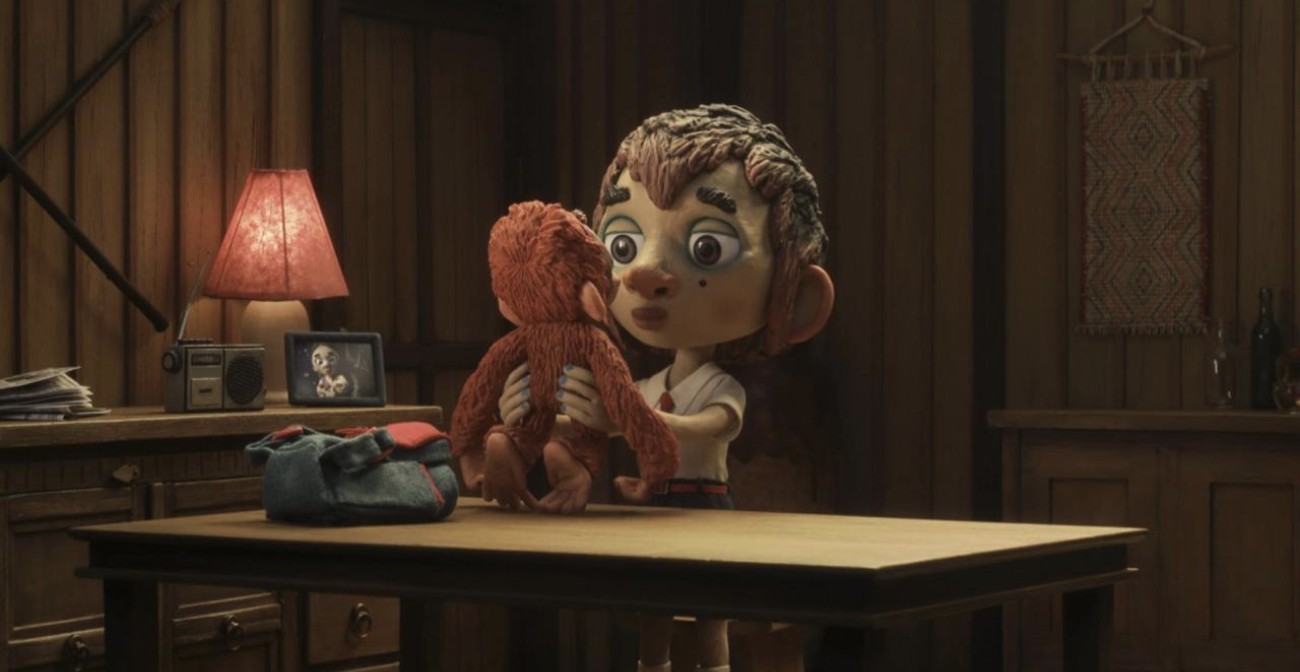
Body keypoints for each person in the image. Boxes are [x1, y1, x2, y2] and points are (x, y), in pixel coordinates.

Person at [471, 104, 835, 672]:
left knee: (710, 613)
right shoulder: (643, 382)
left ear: (798, 301)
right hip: (650, 512)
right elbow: (603, 422)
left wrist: (637, 422)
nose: (644, 272)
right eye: (622, 245)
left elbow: (706, 426)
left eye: (707, 248)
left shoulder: (719, 385)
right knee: (654, 613)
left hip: (706, 507)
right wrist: (527, 421)